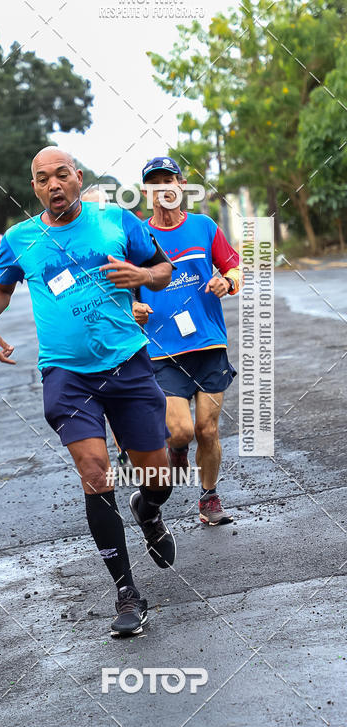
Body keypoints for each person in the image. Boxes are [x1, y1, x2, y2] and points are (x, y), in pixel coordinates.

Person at [0, 146, 176, 638]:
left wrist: (143, 277)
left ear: (78, 177)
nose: (53, 185)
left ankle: (148, 509)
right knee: (93, 470)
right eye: (42, 179)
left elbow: (163, 269)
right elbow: (1, 286)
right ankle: (127, 593)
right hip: (66, 374)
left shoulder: (116, 220)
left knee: (160, 475)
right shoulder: (22, 238)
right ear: (35, 186)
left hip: (127, 363)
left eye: (61, 175)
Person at [134, 156, 241, 525]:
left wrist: (227, 282)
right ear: (147, 192)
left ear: (181, 185)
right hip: (163, 351)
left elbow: (233, 267)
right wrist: (133, 306)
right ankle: (177, 448)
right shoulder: (137, 237)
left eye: (169, 180)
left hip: (209, 344)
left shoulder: (204, 226)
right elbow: (123, 289)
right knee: (180, 430)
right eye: (154, 183)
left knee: (207, 429)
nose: (163, 188)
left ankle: (209, 498)